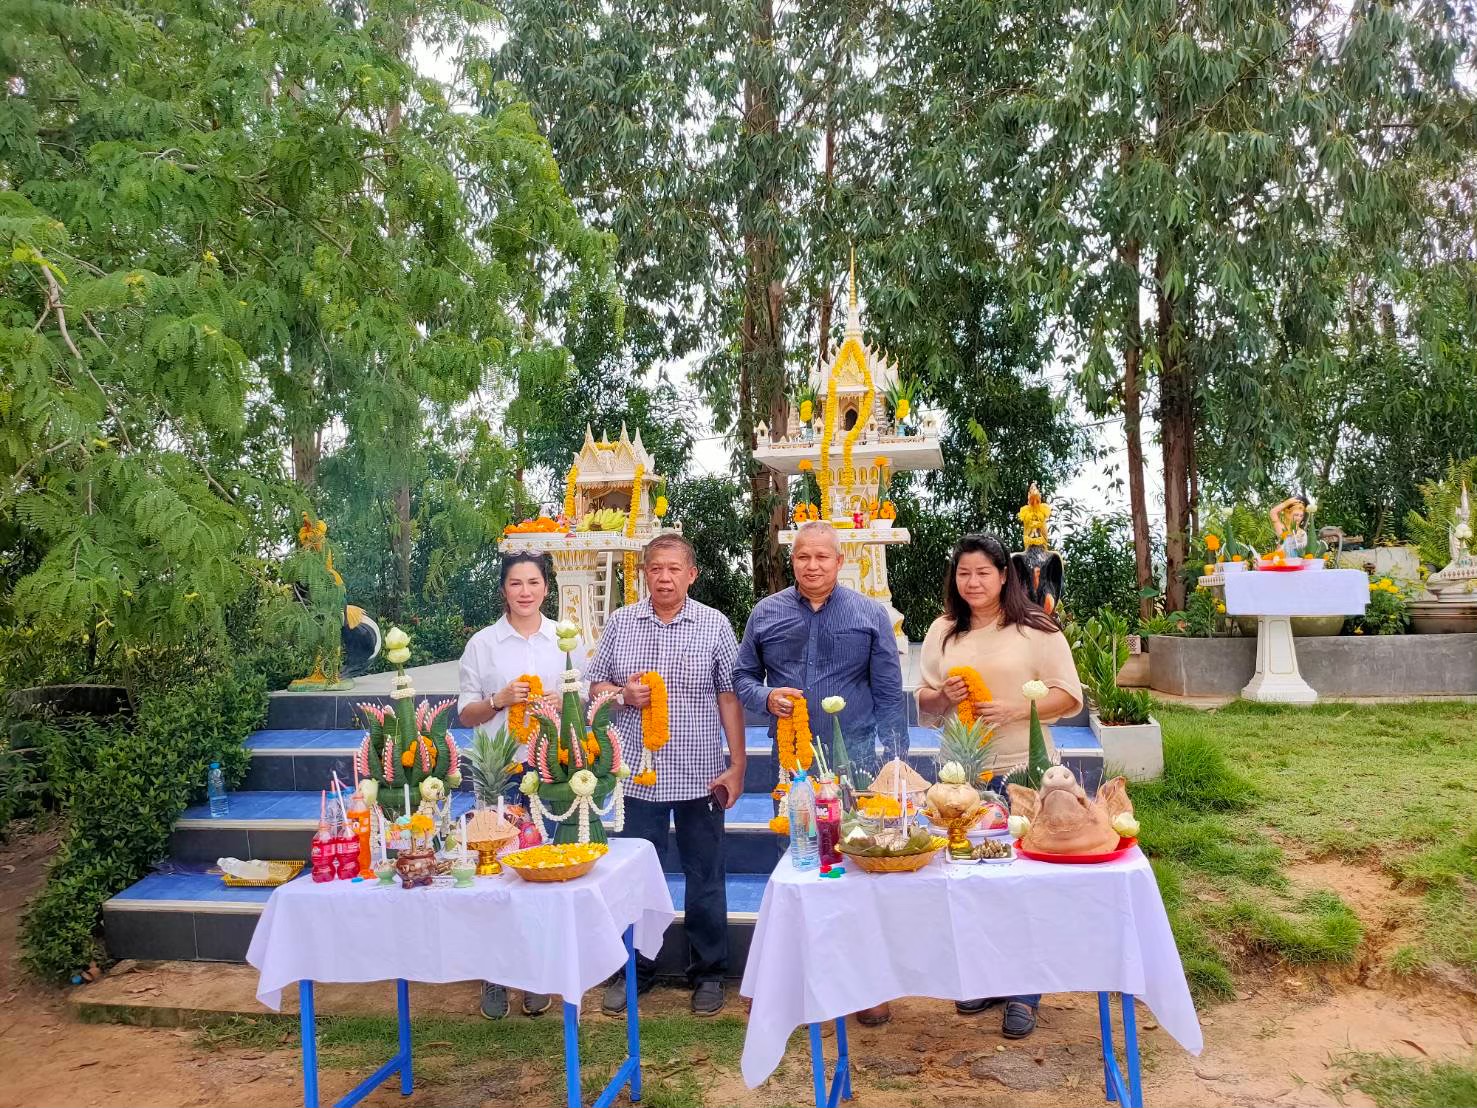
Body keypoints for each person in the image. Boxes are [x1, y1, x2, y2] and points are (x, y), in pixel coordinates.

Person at [734, 519, 907, 1027]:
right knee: (796, 866)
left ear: (839, 561)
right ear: (793, 560)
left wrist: (894, 760)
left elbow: (889, 690)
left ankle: (866, 986)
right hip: (793, 759)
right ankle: (788, 981)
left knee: (856, 867)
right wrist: (767, 696)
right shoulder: (766, 613)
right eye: (803, 556)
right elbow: (742, 677)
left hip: (854, 758)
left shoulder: (869, 614)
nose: (812, 565)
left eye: (822, 557)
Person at [915, 533, 1083, 1038]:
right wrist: (943, 697)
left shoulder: (1036, 629)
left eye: (983, 573)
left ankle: (1025, 992)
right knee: (969, 880)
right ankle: (986, 978)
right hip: (960, 776)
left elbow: (1068, 695)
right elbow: (925, 703)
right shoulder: (943, 631)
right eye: (963, 573)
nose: (973, 582)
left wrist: (1017, 709)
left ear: (1004, 575)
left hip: (1023, 771)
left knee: (1022, 882)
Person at [588, 533, 746, 1016]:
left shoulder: (714, 624)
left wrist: (737, 765)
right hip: (638, 776)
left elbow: (729, 696)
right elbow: (595, 685)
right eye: (655, 568)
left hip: (701, 773)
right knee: (635, 877)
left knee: (705, 875)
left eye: (674, 568)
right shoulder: (621, 622)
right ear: (643, 573)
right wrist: (621, 695)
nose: (664, 577)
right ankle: (635, 969)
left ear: (691, 575)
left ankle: (709, 972)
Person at [458, 551, 586, 1020]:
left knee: (545, 873)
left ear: (546, 588)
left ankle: (535, 973)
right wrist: (499, 699)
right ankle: (494, 974)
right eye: (516, 583)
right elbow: (465, 713)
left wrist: (561, 700)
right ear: (504, 590)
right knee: (496, 874)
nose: (525, 591)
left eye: (533, 582)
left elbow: (583, 698)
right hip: (500, 772)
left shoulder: (566, 639)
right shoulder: (483, 644)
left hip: (551, 770)